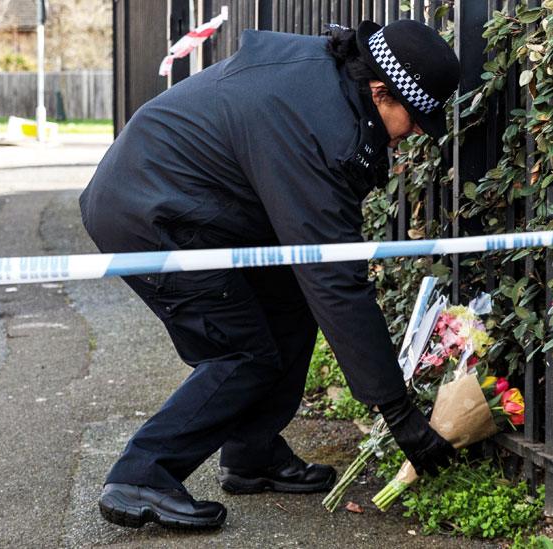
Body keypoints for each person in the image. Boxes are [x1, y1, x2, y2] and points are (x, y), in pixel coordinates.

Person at [79, 19, 461, 530]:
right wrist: (400, 415)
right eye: (414, 118)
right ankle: (142, 473)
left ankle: (251, 453)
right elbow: (336, 279)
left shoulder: (327, 85)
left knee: (291, 307)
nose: (414, 133)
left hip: (195, 205)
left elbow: (319, 276)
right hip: (151, 215)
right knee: (242, 352)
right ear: (380, 92)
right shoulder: (317, 126)